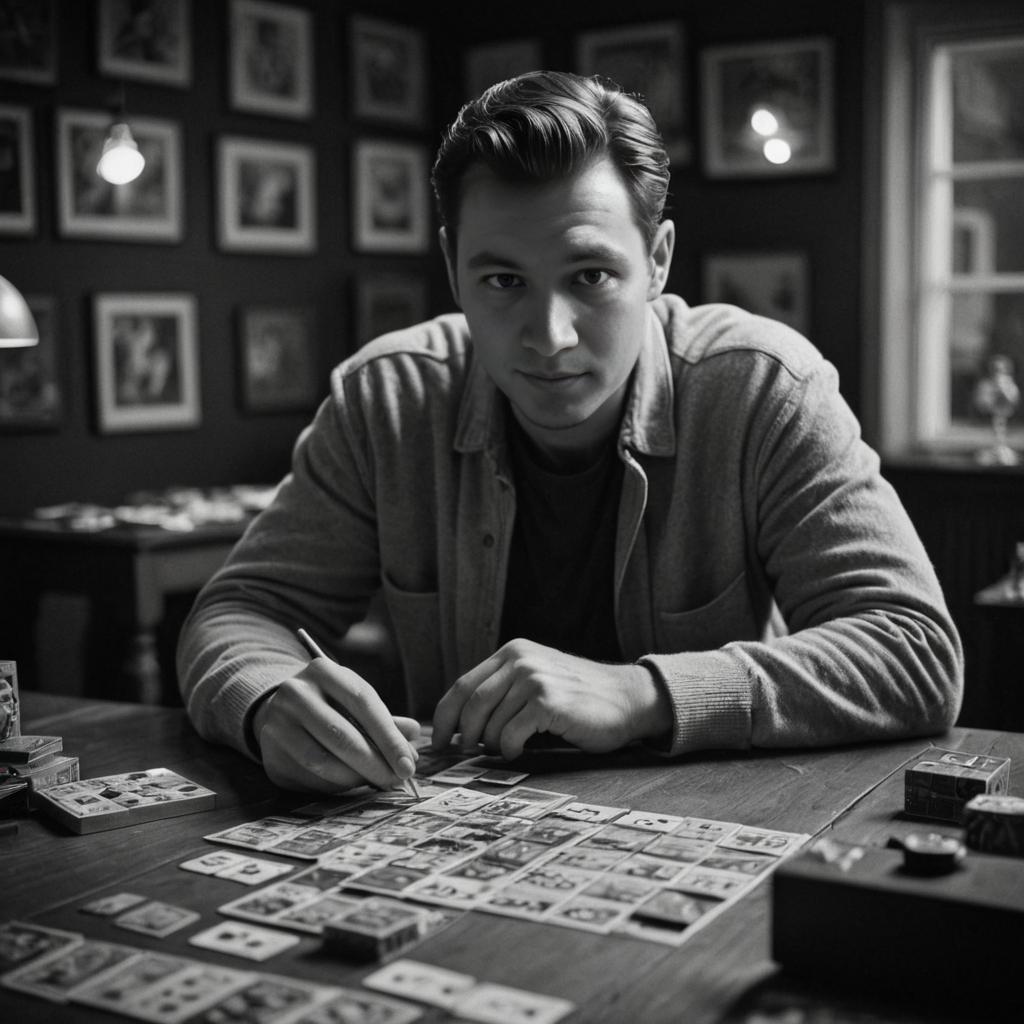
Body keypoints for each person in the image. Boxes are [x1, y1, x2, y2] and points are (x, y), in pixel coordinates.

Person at [177, 71, 963, 795]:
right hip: (454, 849)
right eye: (503, 281)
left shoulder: (763, 387)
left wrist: (643, 692)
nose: (548, 336)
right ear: (453, 269)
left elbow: (915, 652)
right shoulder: (386, 400)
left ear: (656, 261)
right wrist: (266, 700)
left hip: (718, 828)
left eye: (589, 276)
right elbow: (240, 610)